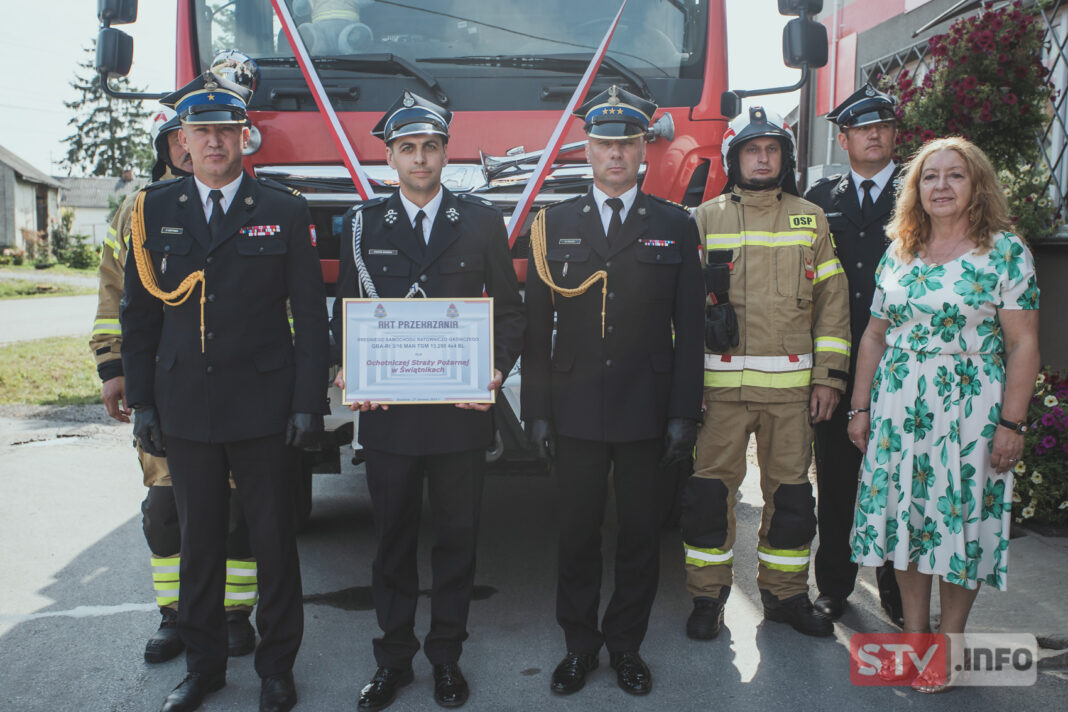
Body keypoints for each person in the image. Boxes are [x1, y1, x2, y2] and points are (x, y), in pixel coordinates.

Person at [122, 71, 329, 712]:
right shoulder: (153, 210)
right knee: (200, 546)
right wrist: (144, 403)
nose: (214, 142)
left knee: (273, 544)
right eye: (202, 131)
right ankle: (204, 667)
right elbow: (138, 315)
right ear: (182, 140)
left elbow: (310, 316)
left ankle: (277, 670)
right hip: (185, 406)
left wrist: (308, 403)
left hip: (264, 408)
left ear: (245, 137)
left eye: (225, 130)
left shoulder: (283, 210)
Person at [330, 91, 525, 711]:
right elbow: (346, 311)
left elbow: (510, 312)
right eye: (408, 148)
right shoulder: (362, 224)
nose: (420, 158)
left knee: (455, 542)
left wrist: (495, 370)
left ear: (446, 154)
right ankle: (392, 660)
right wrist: (347, 365)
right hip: (388, 416)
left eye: (430, 147)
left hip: (459, 417)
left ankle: (446, 658)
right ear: (390, 157)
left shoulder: (481, 220)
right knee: (391, 543)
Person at [522, 85, 704, 696]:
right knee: (576, 535)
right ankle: (579, 646)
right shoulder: (551, 225)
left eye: (627, 143)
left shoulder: (674, 225)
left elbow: (690, 330)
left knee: (639, 536)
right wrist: (536, 409)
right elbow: (536, 330)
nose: (616, 154)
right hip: (573, 406)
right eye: (605, 144)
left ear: (644, 150)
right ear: (588, 149)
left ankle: (626, 646)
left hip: (646, 408)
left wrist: (683, 414)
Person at [847, 136, 1040, 692]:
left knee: (961, 524)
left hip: (970, 409)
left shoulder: (1005, 251)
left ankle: (949, 643)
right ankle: (914, 636)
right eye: (930, 177)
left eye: (955, 175)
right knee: (907, 520)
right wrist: (860, 407)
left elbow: (1023, 344)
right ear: (916, 189)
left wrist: (1011, 423)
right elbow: (874, 336)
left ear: (977, 185)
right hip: (899, 407)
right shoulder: (899, 249)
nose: (941, 186)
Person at [90, 104, 259, 666]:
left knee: (235, 507)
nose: (195, 148)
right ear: (169, 143)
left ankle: (233, 615)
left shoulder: (250, 203)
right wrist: (113, 368)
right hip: (166, 386)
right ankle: (176, 615)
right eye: (183, 138)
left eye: (214, 134)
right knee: (165, 510)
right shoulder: (139, 211)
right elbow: (116, 299)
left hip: (237, 390)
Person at [679, 107, 850, 640]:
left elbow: (832, 303)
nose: (762, 159)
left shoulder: (810, 218)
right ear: (733, 159)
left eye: (772, 149)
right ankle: (708, 597)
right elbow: (680, 308)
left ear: (785, 157)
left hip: (792, 395)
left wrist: (829, 378)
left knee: (793, 501)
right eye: (751, 150)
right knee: (710, 500)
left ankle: (785, 596)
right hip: (720, 393)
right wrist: (686, 388)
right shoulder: (703, 219)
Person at [804, 84, 904, 625]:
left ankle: (897, 591)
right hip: (839, 362)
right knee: (838, 482)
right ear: (843, 140)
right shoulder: (821, 199)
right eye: (863, 129)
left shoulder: (919, 192)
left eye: (883, 126)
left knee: (897, 484)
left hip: (905, 363)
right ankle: (835, 586)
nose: (874, 135)